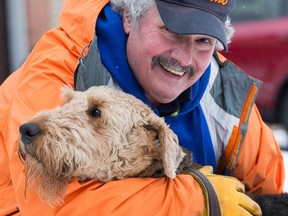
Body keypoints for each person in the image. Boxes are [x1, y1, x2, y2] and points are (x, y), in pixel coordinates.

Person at [0, 0, 285, 215]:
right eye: (171, 31)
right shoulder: (60, 69)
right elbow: (50, 205)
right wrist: (198, 198)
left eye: (203, 41)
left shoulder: (227, 98)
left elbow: (266, 192)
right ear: (129, 16)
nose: (184, 58)